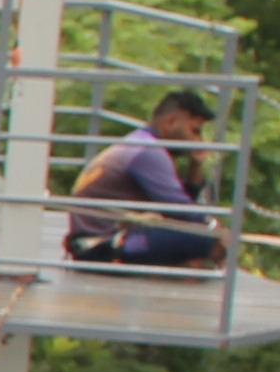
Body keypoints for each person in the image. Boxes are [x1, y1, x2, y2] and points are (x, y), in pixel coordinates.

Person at [65, 88, 223, 267]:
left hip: (97, 242)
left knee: (200, 235)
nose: (199, 140)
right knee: (202, 238)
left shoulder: (143, 143)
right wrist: (215, 230)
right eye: (195, 131)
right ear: (171, 122)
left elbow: (184, 205)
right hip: (100, 247)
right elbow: (181, 212)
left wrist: (196, 164)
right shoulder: (148, 152)